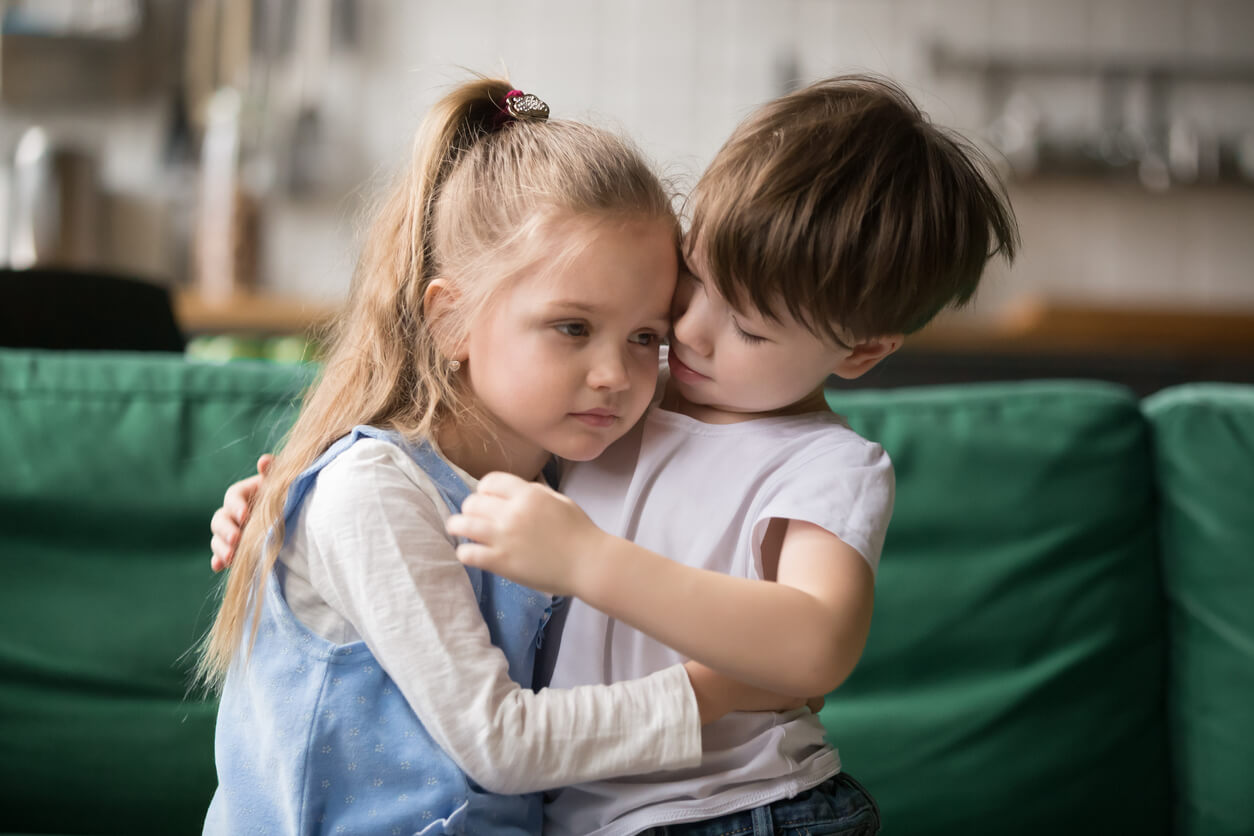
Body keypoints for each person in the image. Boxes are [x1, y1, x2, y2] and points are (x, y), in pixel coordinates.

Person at [211, 75, 1018, 835]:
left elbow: (817, 645)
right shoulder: (604, 417)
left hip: (744, 806)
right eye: (693, 285)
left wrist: (589, 561)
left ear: (864, 352)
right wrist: (288, 516)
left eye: (745, 328)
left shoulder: (804, 461)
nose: (685, 338)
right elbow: (412, 497)